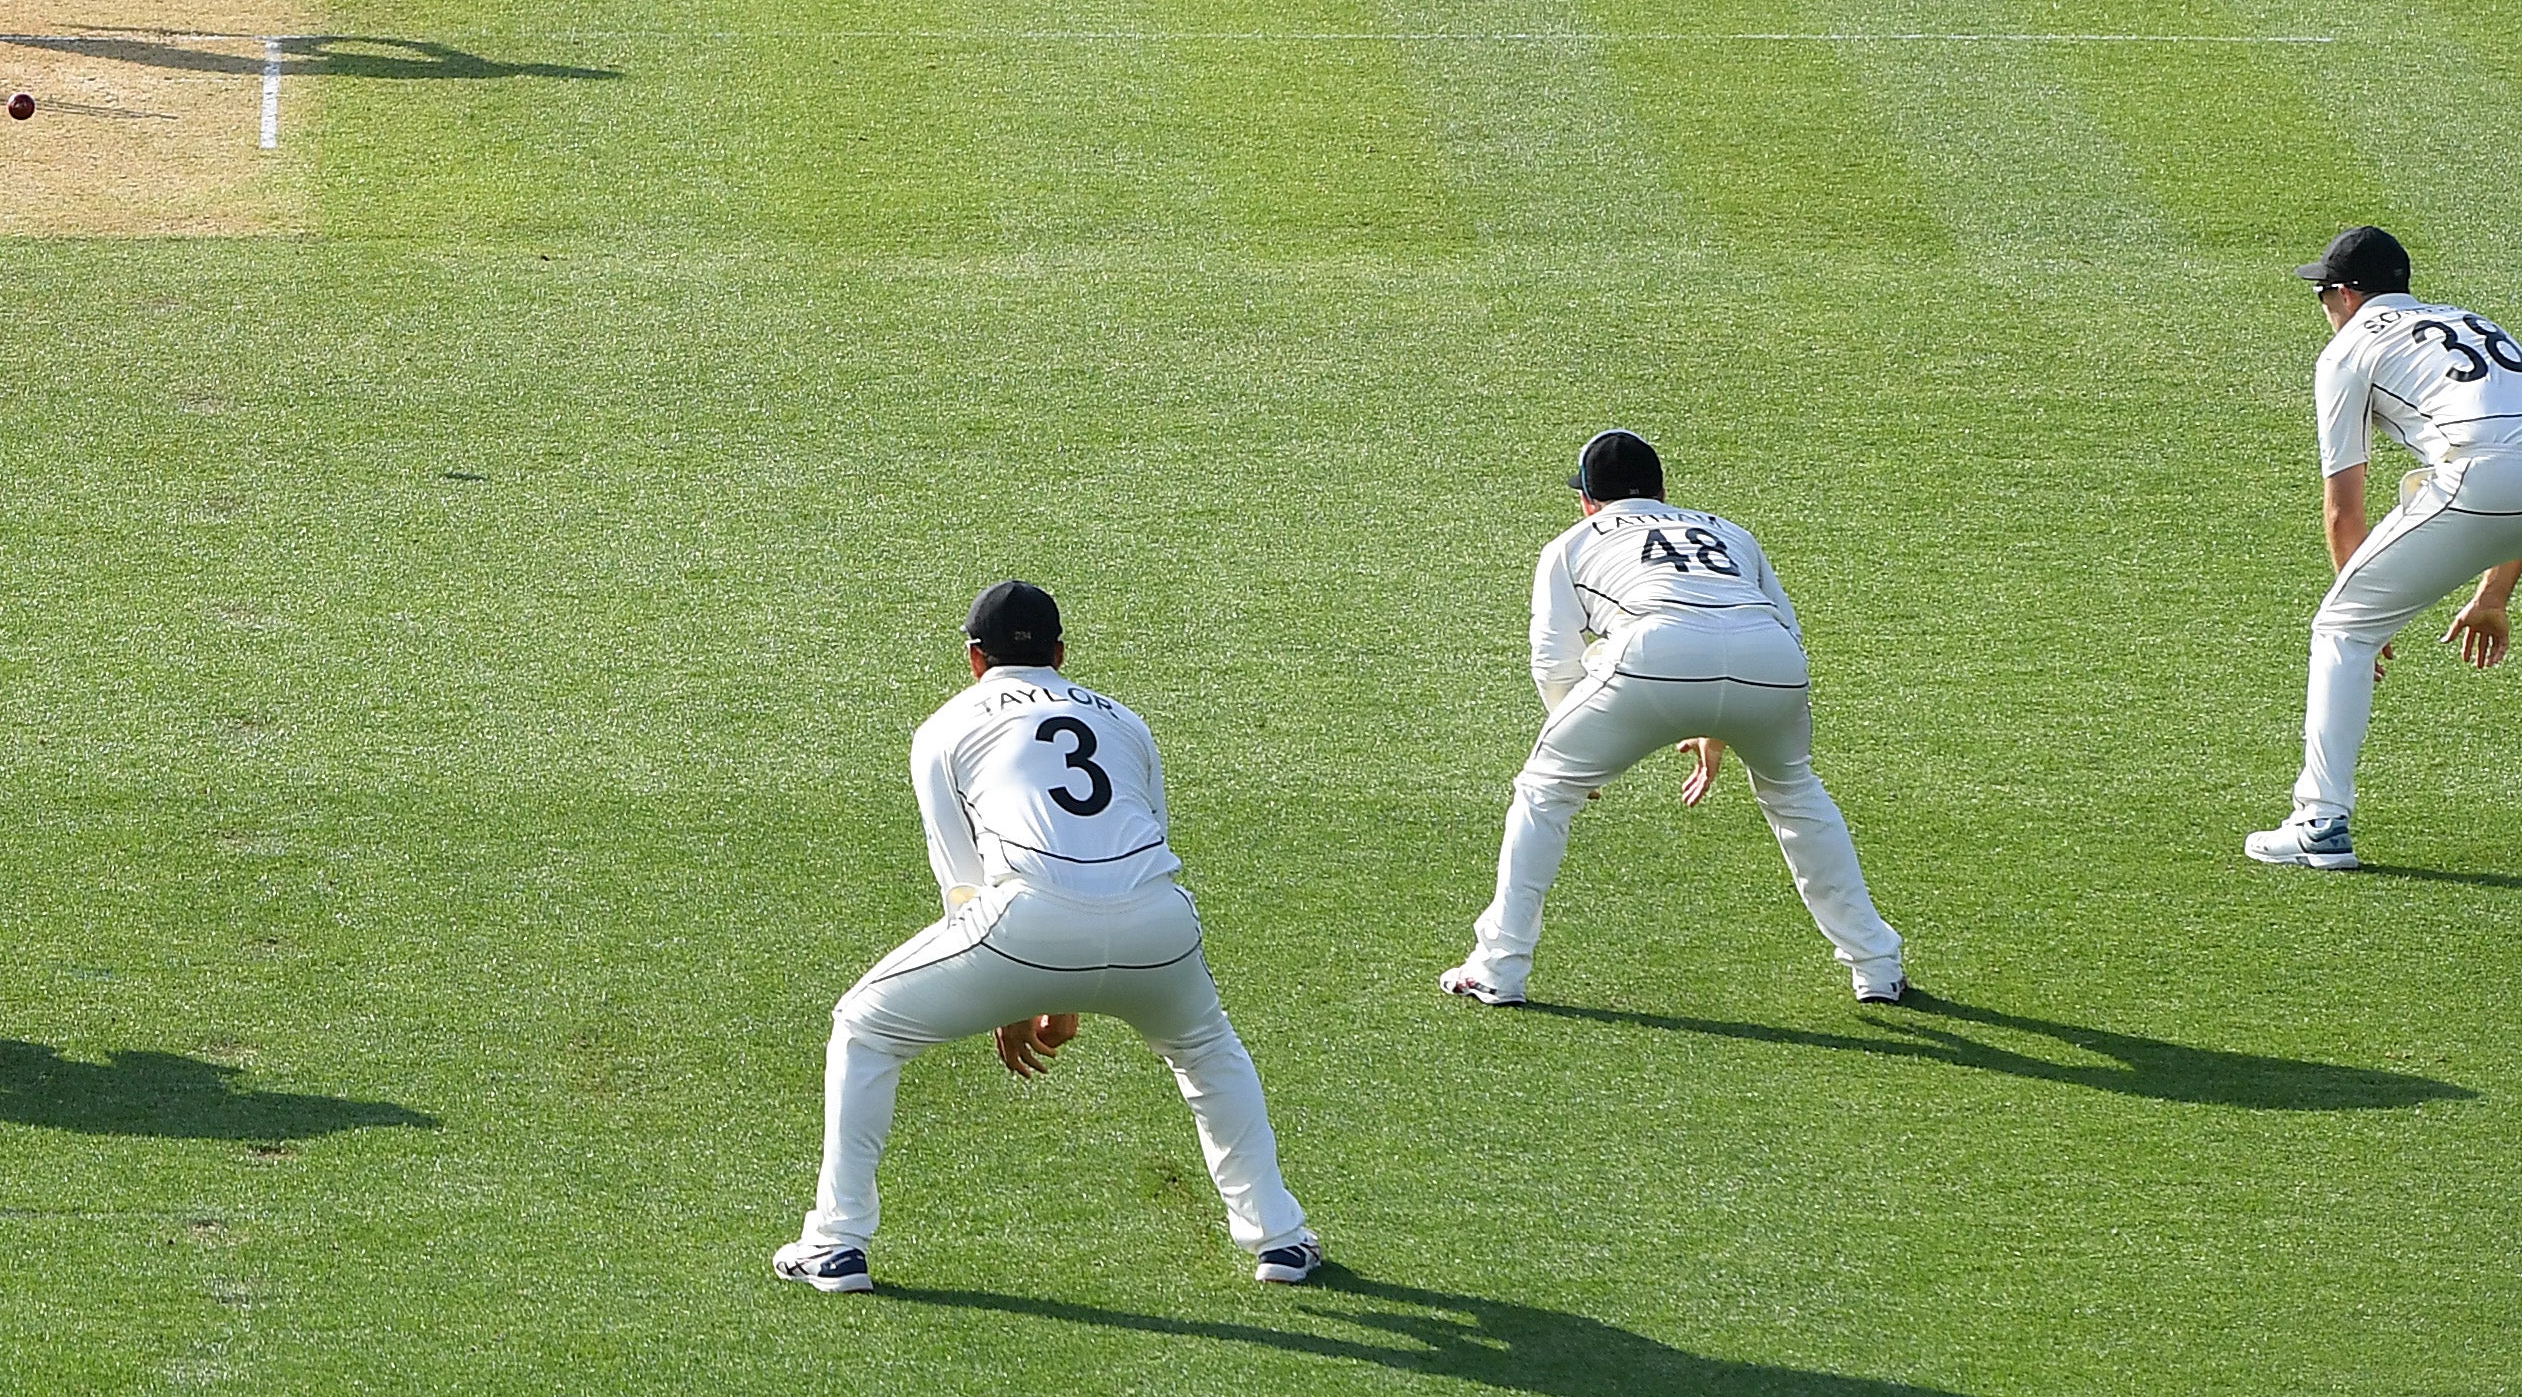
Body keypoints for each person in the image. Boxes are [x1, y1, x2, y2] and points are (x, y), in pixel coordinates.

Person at [776, 581, 1318, 1297]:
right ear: (1061, 653)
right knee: (1206, 1049)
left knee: (863, 1029)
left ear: (973, 658)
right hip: (1157, 924)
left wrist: (1024, 991)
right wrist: (1064, 990)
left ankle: (836, 1245)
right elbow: (1143, 838)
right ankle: (1279, 1240)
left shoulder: (947, 726)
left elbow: (964, 888)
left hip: (1025, 924)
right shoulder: (1124, 719)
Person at [1440, 430, 1908, 1006]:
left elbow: (1552, 660)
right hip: (1772, 662)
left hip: (1651, 655)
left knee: (1542, 790)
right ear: (1664, 492)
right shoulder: (1729, 531)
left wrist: (1574, 758)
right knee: (1797, 796)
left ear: (1587, 499)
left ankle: (1499, 967)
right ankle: (1877, 965)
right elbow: (1783, 631)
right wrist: (1723, 726)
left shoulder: (1571, 542)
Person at [2249, 226, 2522, 869]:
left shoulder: (2348, 350)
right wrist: (2494, 594)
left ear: (2348, 294)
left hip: (2482, 475)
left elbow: (2344, 507)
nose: (2325, 309)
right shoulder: (2471, 319)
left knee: (2340, 629)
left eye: (2324, 294)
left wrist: (2370, 617)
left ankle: (2320, 823)